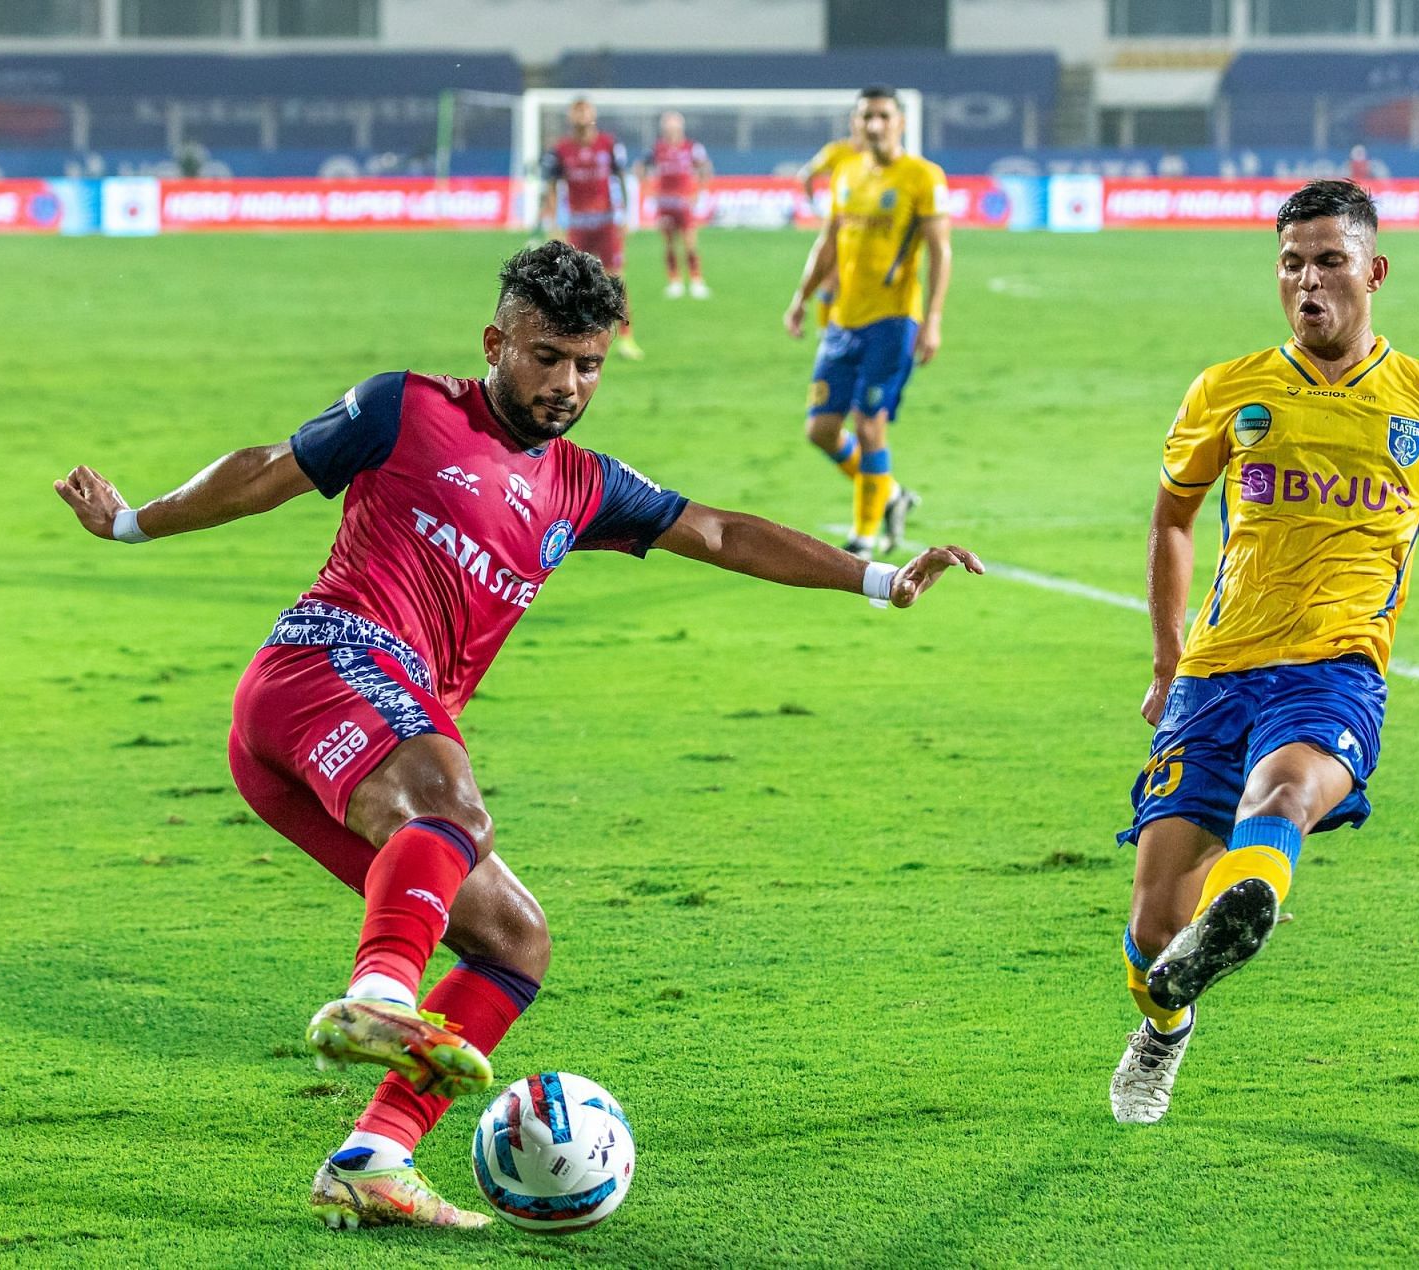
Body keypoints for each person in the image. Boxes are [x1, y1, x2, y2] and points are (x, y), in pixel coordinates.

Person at [53, 242, 981, 1229]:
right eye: (546, 358)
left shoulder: (583, 483)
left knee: (513, 941)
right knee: (456, 804)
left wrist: (876, 578)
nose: (567, 384)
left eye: (588, 365)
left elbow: (715, 533)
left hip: (348, 745)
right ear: (496, 342)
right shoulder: (405, 406)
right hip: (320, 665)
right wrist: (130, 525)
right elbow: (269, 472)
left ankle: (372, 1158)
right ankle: (378, 993)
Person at [1108, 179, 1419, 1127]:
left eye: (1330, 262)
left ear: (1374, 271)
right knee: (1151, 929)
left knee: (1288, 794)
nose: (1309, 282)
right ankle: (1166, 1022)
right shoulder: (1227, 390)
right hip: (1216, 674)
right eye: (1293, 264)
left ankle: (1246, 903)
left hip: (1337, 670)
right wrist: (1167, 658)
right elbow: (1173, 520)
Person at [783, 87, 950, 561]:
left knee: (870, 424)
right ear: (855, 123)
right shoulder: (846, 171)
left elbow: (941, 251)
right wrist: (801, 298)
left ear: (899, 122)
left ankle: (863, 538)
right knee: (821, 430)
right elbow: (828, 243)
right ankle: (891, 494)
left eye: (882, 116)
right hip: (842, 322)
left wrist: (932, 319)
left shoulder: (922, 177)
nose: (873, 125)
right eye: (865, 118)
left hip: (893, 321)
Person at [538, 99, 642, 360]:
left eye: (585, 110)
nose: (581, 115)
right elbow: (550, 188)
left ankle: (627, 339)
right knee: (573, 284)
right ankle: (577, 340)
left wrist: (626, 216)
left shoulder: (609, 144)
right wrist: (552, 224)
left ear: (593, 114)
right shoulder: (560, 150)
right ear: (570, 116)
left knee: (615, 280)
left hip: (606, 224)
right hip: (578, 226)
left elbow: (621, 179)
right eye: (577, 110)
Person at [795, 116, 865, 330]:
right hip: (841, 225)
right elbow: (806, 174)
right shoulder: (837, 151)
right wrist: (814, 205)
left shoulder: (881, 157)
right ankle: (825, 332)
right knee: (831, 279)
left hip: (873, 227)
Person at [635, 111, 713, 299]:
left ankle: (696, 280)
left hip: (684, 203)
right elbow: (639, 168)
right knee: (669, 244)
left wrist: (699, 192)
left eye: (674, 128)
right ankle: (675, 281)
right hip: (665, 203)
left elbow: (705, 168)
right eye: (668, 129)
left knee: (690, 243)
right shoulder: (657, 149)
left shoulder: (691, 147)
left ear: (680, 129)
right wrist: (648, 190)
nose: (671, 132)